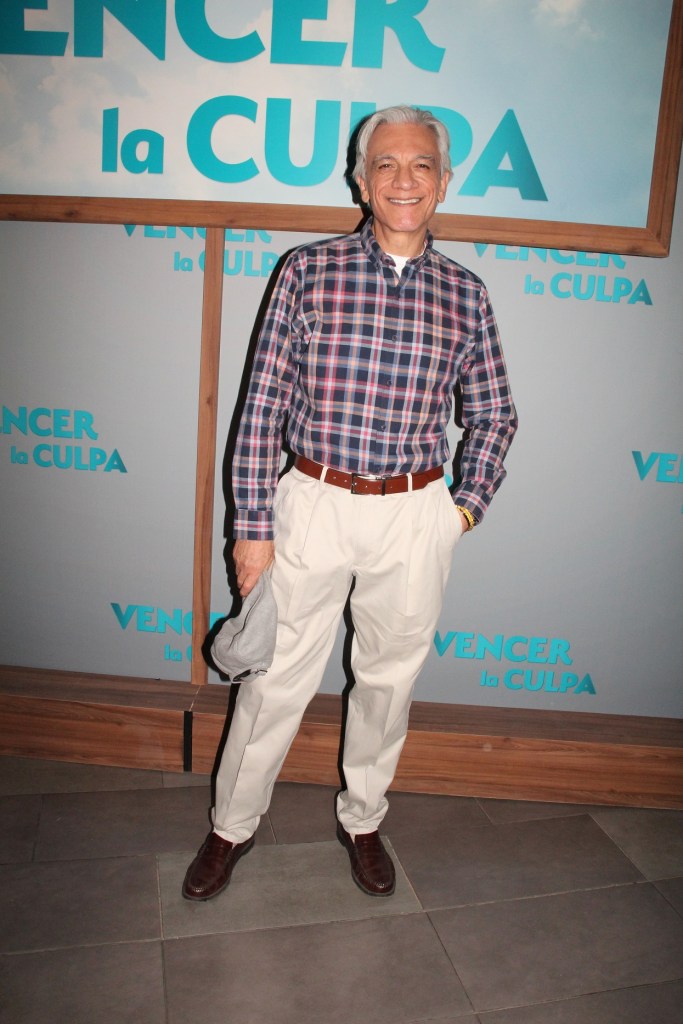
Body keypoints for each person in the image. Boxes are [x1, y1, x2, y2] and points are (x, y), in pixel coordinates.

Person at [183, 105, 518, 901]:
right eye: (386, 164)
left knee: (387, 682)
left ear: (443, 182)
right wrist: (252, 528)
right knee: (273, 679)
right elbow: (261, 407)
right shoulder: (307, 270)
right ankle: (231, 826)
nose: (404, 180)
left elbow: (494, 415)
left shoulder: (466, 295)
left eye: (421, 165)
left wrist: (459, 510)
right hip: (312, 502)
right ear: (360, 181)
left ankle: (363, 819)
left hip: (413, 512)